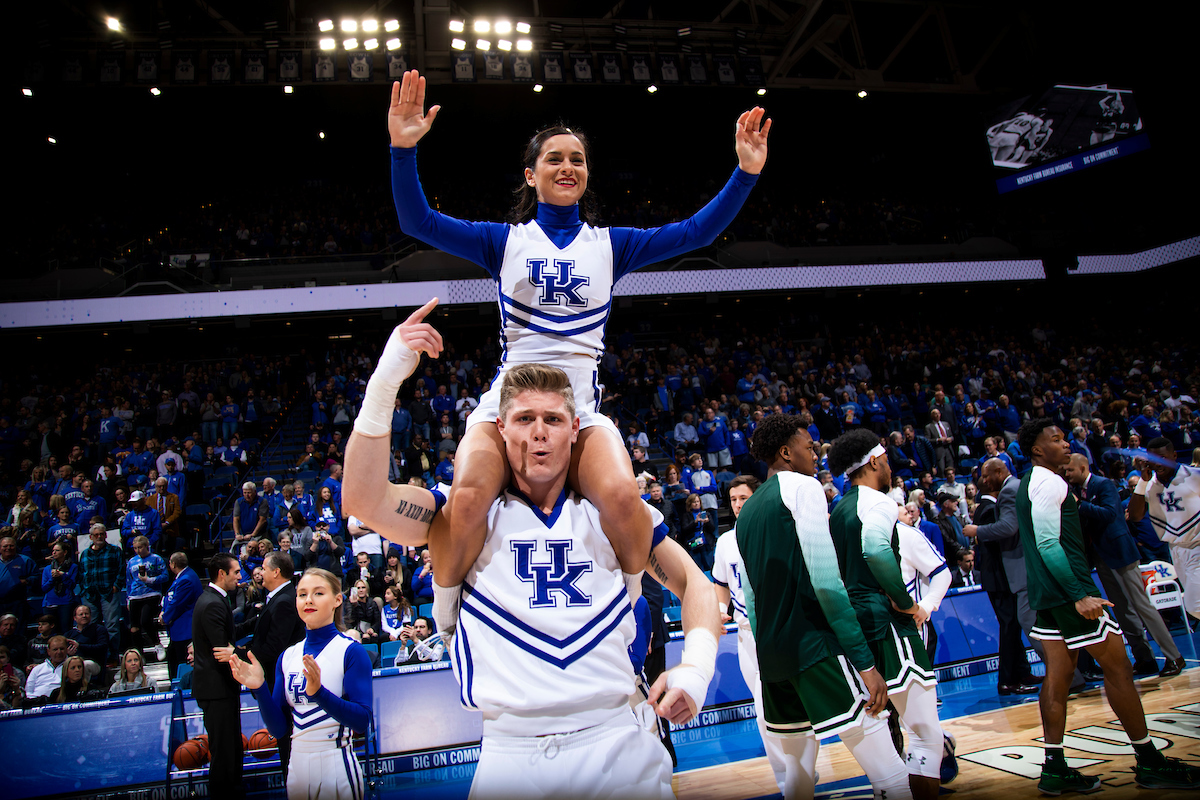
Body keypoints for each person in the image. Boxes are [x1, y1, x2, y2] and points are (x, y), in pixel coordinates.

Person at [385, 69, 769, 608]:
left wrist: (745, 174)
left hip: (579, 405)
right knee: (468, 496)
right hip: (510, 399)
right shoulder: (502, 241)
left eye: (578, 160)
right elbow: (417, 221)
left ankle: (631, 602)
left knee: (620, 495)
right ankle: (449, 612)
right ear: (530, 175)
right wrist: (403, 148)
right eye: (554, 159)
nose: (567, 167)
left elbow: (696, 233)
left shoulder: (614, 245)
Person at [341, 307, 722, 799]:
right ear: (500, 429)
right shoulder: (457, 518)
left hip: (617, 741)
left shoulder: (612, 514)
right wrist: (387, 377)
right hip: (507, 755)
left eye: (552, 419)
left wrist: (696, 669)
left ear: (574, 429)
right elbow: (365, 499)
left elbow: (695, 584)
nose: (539, 431)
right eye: (524, 418)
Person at [1014, 419, 1199, 793]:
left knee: (1058, 675)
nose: (1065, 444)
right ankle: (1149, 761)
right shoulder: (1049, 482)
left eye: (1065, 438)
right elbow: (1050, 545)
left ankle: (1053, 767)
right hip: (1071, 592)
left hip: (1046, 595)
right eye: (1056, 440)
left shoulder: (1029, 484)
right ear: (1037, 449)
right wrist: (1080, 594)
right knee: (1119, 669)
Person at [734, 414, 910, 799]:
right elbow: (828, 585)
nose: (816, 453)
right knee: (891, 773)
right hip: (816, 648)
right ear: (786, 452)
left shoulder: (745, 514)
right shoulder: (803, 487)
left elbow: (751, 600)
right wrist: (865, 663)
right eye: (808, 446)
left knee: (798, 779)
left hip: (775, 659)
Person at [827, 428, 944, 800]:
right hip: (883, 616)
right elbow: (877, 552)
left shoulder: (839, 508)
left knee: (885, 732)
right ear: (874, 461)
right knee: (927, 738)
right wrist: (906, 602)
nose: (891, 465)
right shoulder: (877, 501)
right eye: (887, 459)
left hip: (854, 623)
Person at [228, 568, 373, 800]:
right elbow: (278, 729)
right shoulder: (287, 656)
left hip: (335, 763)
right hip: (296, 765)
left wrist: (319, 694)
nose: (308, 600)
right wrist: (260, 687)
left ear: (337, 600)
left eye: (318, 593)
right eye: (302, 594)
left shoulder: (351, 652)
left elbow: (362, 721)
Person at [711, 474, 810, 797]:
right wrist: (718, 608)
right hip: (746, 635)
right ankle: (786, 777)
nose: (738, 505)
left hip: (781, 629)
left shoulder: (777, 531)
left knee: (794, 705)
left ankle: (802, 771)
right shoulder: (726, 542)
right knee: (762, 709)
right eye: (734, 500)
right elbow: (721, 585)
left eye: (744, 498)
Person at [1064, 453, 1184, 677]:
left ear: (1082, 467)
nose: (1067, 474)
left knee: (1142, 606)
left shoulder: (1103, 485)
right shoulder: (1078, 492)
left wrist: (1080, 505)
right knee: (1121, 610)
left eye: (1070, 470)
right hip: (1101, 557)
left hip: (1121, 553)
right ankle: (1144, 658)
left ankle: (1174, 656)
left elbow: (1110, 514)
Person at [965, 460, 1039, 695]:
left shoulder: (995, 504)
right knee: (1009, 627)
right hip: (998, 577)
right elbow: (997, 542)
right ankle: (1007, 680)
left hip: (1001, 576)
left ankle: (1021, 671)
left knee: (1013, 626)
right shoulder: (987, 509)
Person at [1128, 435, 1200, 626]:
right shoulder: (1149, 485)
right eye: (1154, 459)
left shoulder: (1194, 475)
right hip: (1176, 549)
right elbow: (1135, 516)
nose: (1158, 464)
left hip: (1198, 545)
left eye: (1163, 458)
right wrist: (1142, 483)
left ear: (1174, 455)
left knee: (1194, 605)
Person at [192, 553, 245, 798]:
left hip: (219, 689)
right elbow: (221, 650)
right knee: (224, 755)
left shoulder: (214, 598)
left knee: (229, 750)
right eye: (235, 572)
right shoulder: (212, 602)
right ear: (221, 574)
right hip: (217, 689)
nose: (239, 576)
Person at [78, 522, 125, 662]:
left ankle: (112, 656)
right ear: (91, 537)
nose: (99, 537)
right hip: (90, 594)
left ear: (105, 535)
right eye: (96, 535)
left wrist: (116, 586)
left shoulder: (115, 550)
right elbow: (81, 573)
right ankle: (95, 656)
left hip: (109, 593)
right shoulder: (85, 554)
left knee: (111, 625)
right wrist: (84, 588)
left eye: (101, 534)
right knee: (91, 626)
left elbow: (122, 570)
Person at [160, 551, 203, 676]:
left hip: (185, 631)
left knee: (182, 666)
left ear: (173, 564)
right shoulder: (184, 576)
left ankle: (183, 690)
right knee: (173, 662)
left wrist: (165, 617)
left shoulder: (186, 579)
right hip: (179, 632)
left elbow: (177, 603)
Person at [40, 541, 78, 636]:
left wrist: (62, 576)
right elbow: (44, 588)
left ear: (64, 552)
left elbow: (72, 585)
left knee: (65, 631)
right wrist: (53, 578)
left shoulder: (73, 567)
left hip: (65, 603)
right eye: (53, 550)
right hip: (49, 603)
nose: (54, 553)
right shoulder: (47, 569)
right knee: (50, 632)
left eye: (57, 550)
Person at [25, 635, 68, 701]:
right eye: (55, 649)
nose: (59, 652)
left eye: (61, 649)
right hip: (36, 703)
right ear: (48, 651)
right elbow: (28, 692)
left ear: (67, 649)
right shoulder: (37, 669)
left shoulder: (71, 667)